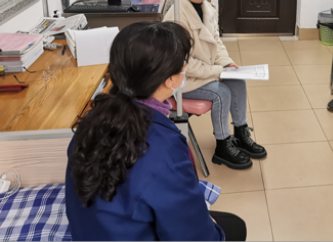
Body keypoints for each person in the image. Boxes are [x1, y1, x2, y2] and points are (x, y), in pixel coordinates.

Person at [66, 22, 247, 241]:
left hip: (97, 230)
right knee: (234, 228)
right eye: (184, 63)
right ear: (170, 79)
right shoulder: (163, 149)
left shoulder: (90, 122)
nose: (185, 67)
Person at [164, 0, 266, 170]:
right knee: (221, 92)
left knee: (237, 81)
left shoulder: (206, 8)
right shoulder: (177, 17)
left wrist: (226, 63)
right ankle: (222, 145)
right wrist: (217, 71)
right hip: (182, 78)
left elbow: (216, 42)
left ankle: (241, 133)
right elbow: (183, 63)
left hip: (205, 71)